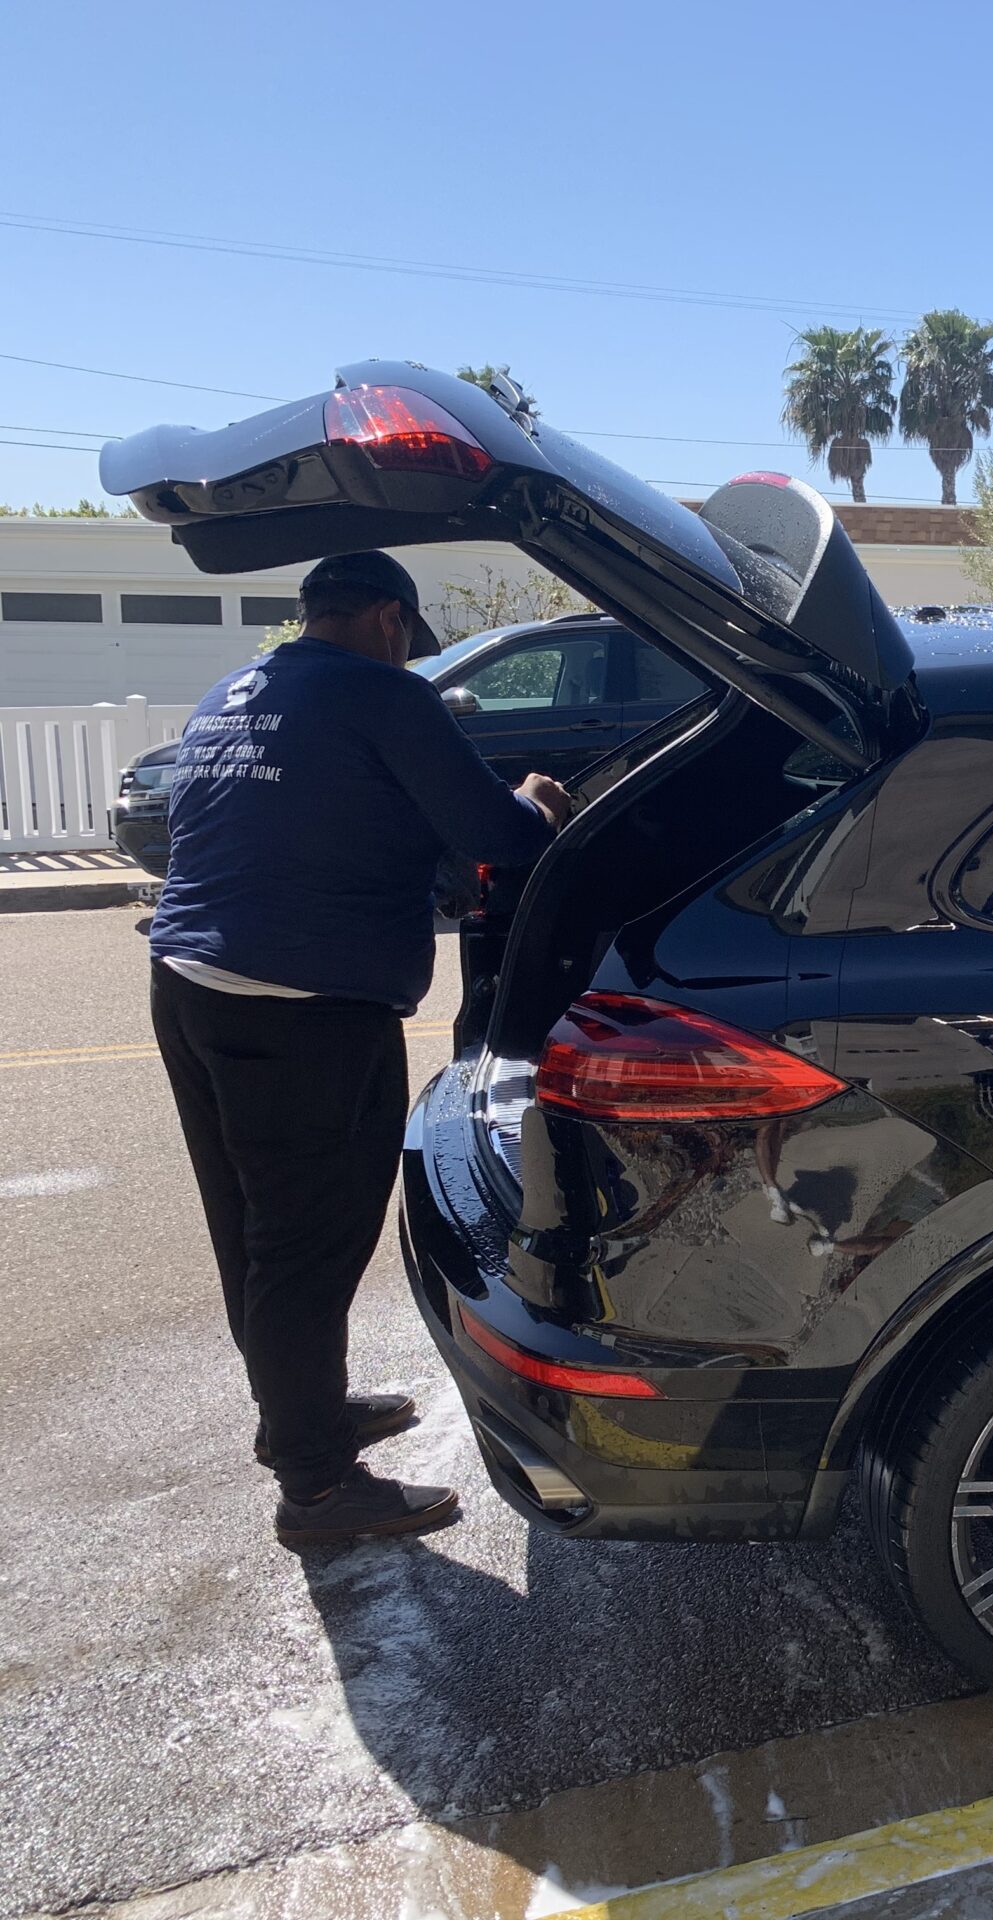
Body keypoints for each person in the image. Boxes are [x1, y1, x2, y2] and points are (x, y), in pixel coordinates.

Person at [148, 552, 569, 1549]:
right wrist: (539, 799)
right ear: (388, 618)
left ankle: (305, 1419)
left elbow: (276, 831)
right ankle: (320, 1489)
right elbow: (496, 835)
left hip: (188, 983)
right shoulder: (386, 694)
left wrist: (410, 874)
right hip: (303, 1010)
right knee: (304, 1247)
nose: (406, 652)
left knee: (252, 1233)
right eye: (405, 635)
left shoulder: (235, 694)